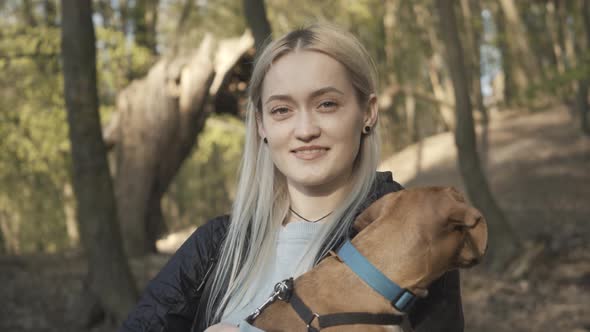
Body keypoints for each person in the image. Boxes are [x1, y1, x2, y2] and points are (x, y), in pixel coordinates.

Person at [120, 22, 463, 332]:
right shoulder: (216, 245)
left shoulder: (414, 233)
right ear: (261, 125)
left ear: (367, 113)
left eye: (326, 104)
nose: (305, 130)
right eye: (282, 110)